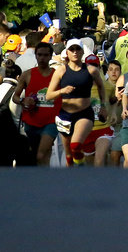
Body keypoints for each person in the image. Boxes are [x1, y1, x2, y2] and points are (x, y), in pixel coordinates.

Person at [45, 39, 107, 167]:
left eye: (77, 49)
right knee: (68, 154)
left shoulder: (91, 70)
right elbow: (48, 95)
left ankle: (81, 169)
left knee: (76, 145)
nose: (75, 52)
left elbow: (102, 87)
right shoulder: (61, 71)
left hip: (84, 114)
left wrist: (103, 106)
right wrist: (62, 91)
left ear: (82, 51)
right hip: (65, 116)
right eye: (71, 49)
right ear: (67, 52)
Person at [11, 42, 59, 166]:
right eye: (39, 55)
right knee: (39, 155)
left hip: (51, 122)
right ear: (36, 56)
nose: (42, 58)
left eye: (45, 55)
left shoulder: (58, 75)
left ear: (50, 56)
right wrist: (23, 101)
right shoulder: (27, 74)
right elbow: (15, 97)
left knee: (40, 154)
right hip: (31, 121)